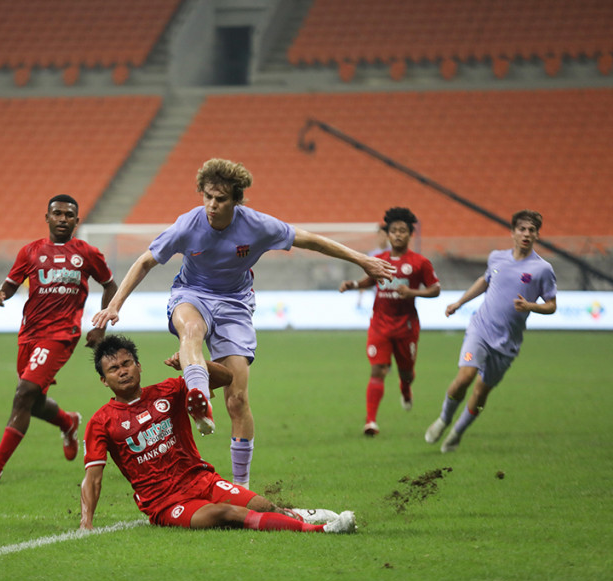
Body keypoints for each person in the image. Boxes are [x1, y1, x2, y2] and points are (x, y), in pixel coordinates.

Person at [92, 158, 395, 489]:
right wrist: (115, 306)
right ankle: (198, 398)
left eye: (220, 199)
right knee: (190, 331)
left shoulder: (258, 225)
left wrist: (362, 259)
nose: (212, 205)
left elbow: (309, 239)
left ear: (236, 200)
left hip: (235, 304)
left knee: (237, 398)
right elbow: (145, 261)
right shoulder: (187, 225)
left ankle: (242, 488)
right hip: (191, 294)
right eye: (207, 196)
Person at [81, 334, 356, 534]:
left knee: (263, 506)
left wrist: (193, 365)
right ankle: (322, 530)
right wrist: (86, 522)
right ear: (104, 380)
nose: (123, 372)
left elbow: (226, 378)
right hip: (166, 503)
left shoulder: (170, 390)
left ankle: (294, 515)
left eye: (127, 363)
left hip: (202, 480)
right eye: (114, 369)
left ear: (139, 366)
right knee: (229, 514)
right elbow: (93, 479)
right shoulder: (101, 422)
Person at [0, 194, 117, 483]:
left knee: (23, 393)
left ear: (76, 221)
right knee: (33, 402)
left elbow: (110, 285)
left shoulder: (87, 253)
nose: (62, 219)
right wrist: (1, 294)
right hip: (29, 334)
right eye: (57, 213)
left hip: (61, 335)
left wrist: (101, 325)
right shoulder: (30, 251)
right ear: (47, 217)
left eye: (69, 215)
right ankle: (68, 421)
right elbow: (10, 284)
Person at [425, 209, 557, 452]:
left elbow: (551, 305)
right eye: (522, 229)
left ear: (537, 235)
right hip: (481, 329)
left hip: (507, 343)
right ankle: (444, 419)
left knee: (481, 392)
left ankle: (457, 432)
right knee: (465, 377)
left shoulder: (542, 269)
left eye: (531, 230)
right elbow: (485, 281)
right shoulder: (497, 258)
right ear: (513, 232)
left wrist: (531, 306)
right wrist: (460, 302)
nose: (526, 234)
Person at [339, 207, 440, 436]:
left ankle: (405, 388)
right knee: (378, 370)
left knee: (406, 373)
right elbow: (369, 281)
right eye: (394, 230)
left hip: (406, 327)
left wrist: (413, 293)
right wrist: (353, 285)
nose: (398, 234)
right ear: (388, 234)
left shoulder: (420, 262)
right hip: (380, 324)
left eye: (402, 230)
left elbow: (435, 289)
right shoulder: (378, 260)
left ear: (410, 234)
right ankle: (370, 422)